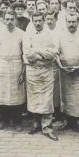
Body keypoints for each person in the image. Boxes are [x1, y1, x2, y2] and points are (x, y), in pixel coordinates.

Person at [55, 12, 79, 138]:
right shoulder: (60, 34)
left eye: (73, 21)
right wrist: (61, 66)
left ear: (78, 21)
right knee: (66, 98)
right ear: (65, 22)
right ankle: (69, 122)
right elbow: (55, 52)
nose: (71, 24)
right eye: (69, 22)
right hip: (65, 72)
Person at [22, 12, 59, 140]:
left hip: (46, 70)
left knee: (47, 100)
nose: (37, 23)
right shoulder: (28, 34)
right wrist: (42, 55)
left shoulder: (50, 34)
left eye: (39, 20)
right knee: (34, 98)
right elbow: (27, 52)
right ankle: (36, 124)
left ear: (44, 21)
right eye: (35, 21)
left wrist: (37, 52)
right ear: (32, 21)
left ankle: (47, 128)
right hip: (32, 70)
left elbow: (53, 53)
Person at [0, 10, 25, 130]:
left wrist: (23, 72)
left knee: (16, 96)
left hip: (17, 65)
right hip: (2, 66)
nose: (9, 22)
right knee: (3, 95)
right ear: (3, 20)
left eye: (12, 19)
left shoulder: (22, 34)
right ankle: (4, 121)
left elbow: (24, 55)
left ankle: (17, 122)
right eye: (7, 19)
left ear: (15, 20)